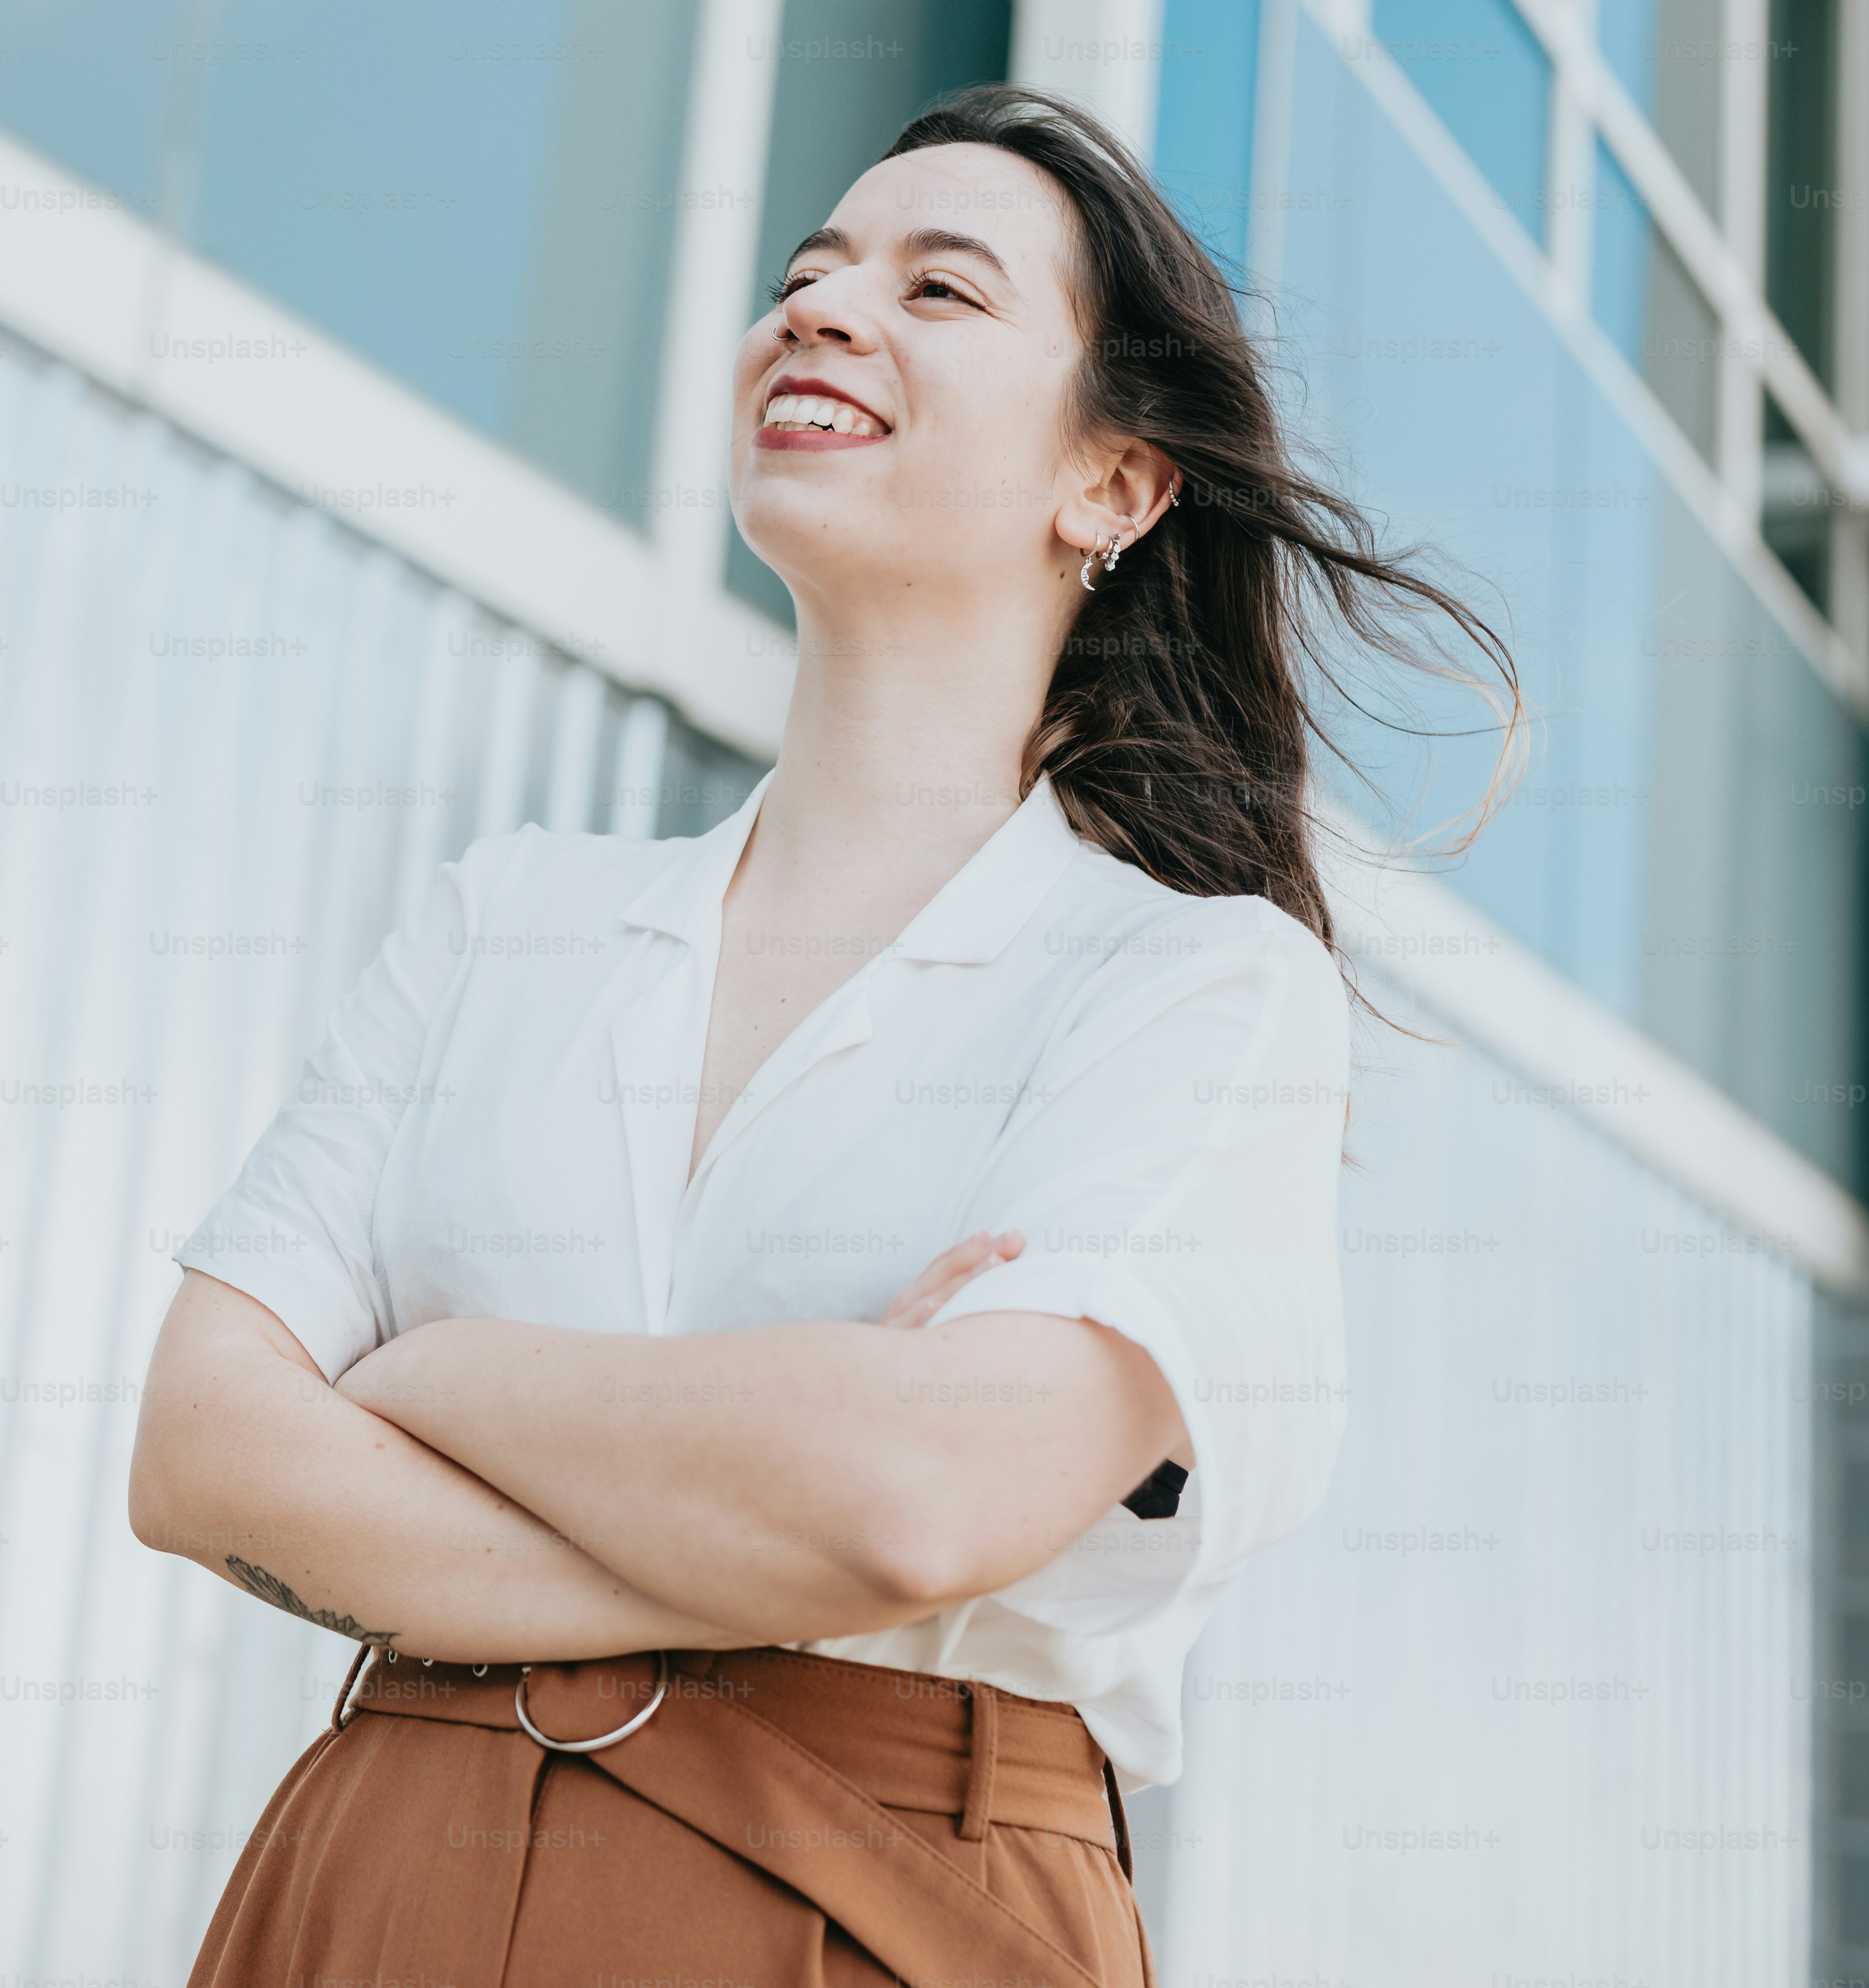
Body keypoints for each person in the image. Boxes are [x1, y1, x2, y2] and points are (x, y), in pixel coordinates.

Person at [127, 83, 1515, 1986]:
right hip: (382, 1866)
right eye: (807, 274)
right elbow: (202, 1449)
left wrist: (423, 1369)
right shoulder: (506, 917)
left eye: (940, 290)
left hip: (873, 1903)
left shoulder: (1196, 990)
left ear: (1113, 481)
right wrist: (765, 1493)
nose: (825, 312)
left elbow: (915, 1494)